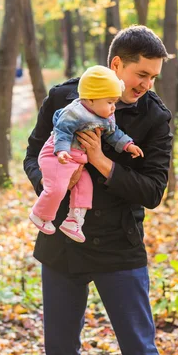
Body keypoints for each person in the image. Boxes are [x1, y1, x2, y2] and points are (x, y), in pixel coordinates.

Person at [24, 25, 173, 355]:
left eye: (154, 77)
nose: (147, 85)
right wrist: (54, 184)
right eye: (142, 75)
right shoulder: (63, 97)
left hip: (119, 247)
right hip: (62, 244)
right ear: (117, 64)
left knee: (141, 354)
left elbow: (154, 191)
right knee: (60, 353)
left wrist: (102, 163)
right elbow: (32, 156)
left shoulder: (155, 116)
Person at [29, 65, 144, 242]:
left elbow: (114, 134)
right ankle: (40, 214)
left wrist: (128, 145)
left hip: (76, 160)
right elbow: (62, 131)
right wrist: (61, 151)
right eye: (109, 102)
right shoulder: (75, 112)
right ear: (90, 100)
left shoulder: (106, 116)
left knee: (85, 187)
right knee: (57, 188)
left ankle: (74, 220)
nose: (113, 108)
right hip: (57, 156)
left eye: (114, 102)